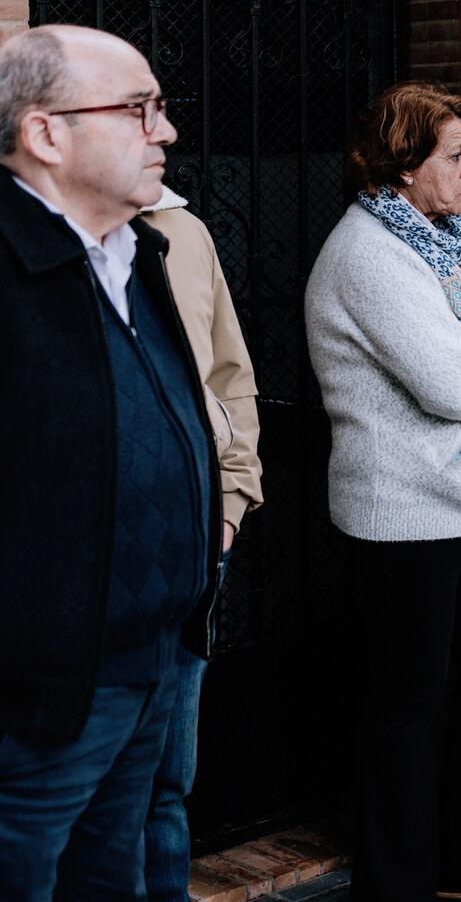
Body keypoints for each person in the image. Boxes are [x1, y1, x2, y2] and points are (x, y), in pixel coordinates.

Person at [304, 82, 461, 902]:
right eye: (455, 154)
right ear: (403, 161)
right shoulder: (367, 252)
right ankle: (397, 883)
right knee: (406, 705)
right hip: (406, 512)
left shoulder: (451, 236)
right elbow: (448, 382)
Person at [0, 26, 221, 898]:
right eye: (139, 109)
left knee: (115, 876)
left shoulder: (144, 253)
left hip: (154, 656)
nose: (164, 131)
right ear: (46, 133)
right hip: (43, 692)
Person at [139, 185, 264, 902]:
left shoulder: (182, 230)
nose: (162, 130)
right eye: (136, 111)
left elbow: (231, 374)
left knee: (166, 775)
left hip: (193, 537)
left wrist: (234, 500)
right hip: (76, 563)